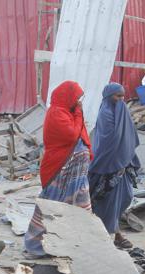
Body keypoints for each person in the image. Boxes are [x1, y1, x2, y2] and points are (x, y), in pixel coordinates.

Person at [23, 80, 92, 257]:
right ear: (68, 96)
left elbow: (82, 137)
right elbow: (71, 135)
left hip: (76, 175)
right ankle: (35, 246)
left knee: (80, 207)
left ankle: (75, 245)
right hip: (59, 170)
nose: (79, 102)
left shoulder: (70, 113)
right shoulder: (57, 113)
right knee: (51, 206)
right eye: (76, 98)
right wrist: (78, 112)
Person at [89, 83, 140, 250]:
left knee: (125, 197)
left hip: (123, 164)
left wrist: (126, 158)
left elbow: (130, 136)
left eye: (122, 96)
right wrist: (117, 161)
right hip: (107, 166)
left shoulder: (122, 111)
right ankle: (114, 236)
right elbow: (107, 142)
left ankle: (112, 234)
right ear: (108, 96)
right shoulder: (105, 114)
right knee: (107, 202)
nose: (120, 100)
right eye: (117, 96)